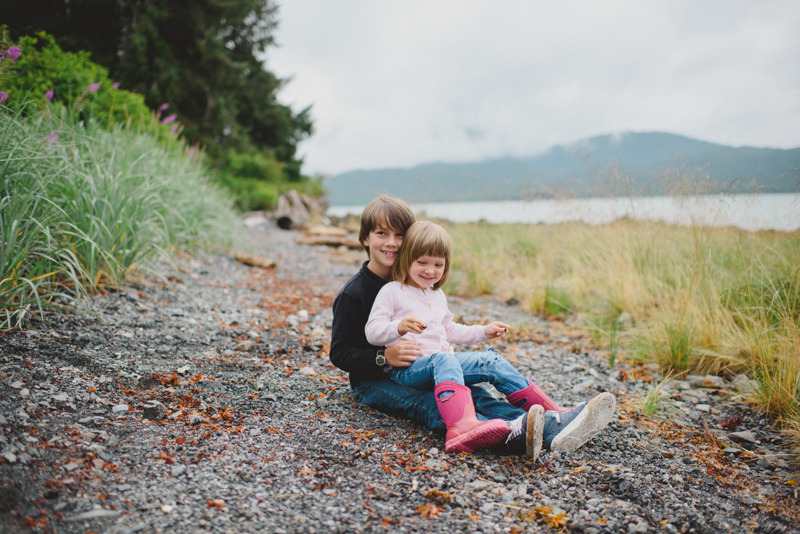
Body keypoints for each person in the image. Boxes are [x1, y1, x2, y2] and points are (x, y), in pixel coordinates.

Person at [330, 194, 615, 460]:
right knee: (430, 403)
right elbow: (340, 353)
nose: (391, 242)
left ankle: (540, 424)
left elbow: (446, 328)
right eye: (382, 233)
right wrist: (383, 356)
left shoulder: (418, 280)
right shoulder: (355, 294)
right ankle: (506, 436)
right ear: (365, 237)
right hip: (375, 379)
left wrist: (480, 332)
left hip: (426, 362)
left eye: (400, 234)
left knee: (472, 393)